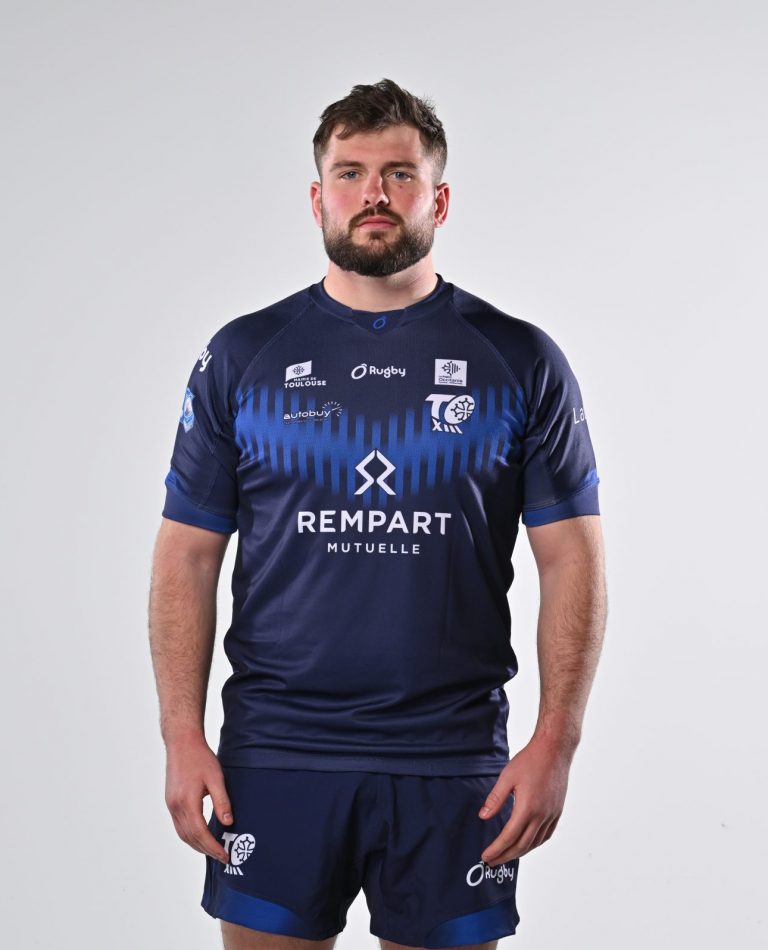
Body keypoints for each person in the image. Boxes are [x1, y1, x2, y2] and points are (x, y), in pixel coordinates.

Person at [148, 78, 607, 950]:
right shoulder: (244, 356)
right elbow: (187, 556)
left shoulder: (518, 360)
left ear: (439, 199)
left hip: (452, 759)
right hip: (276, 754)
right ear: (317, 197)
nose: (374, 194)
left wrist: (558, 740)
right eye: (350, 173)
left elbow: (572, 560)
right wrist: (180, 734)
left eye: (400, 174)